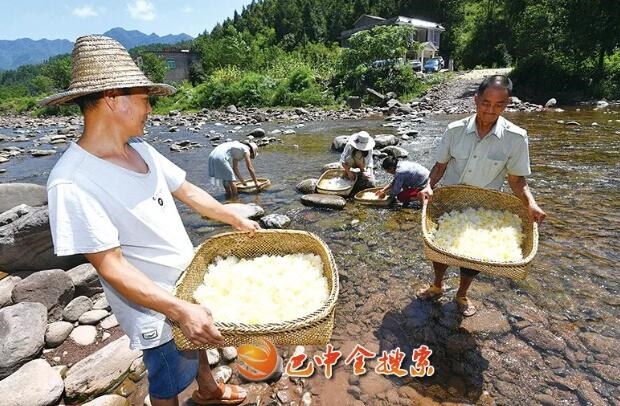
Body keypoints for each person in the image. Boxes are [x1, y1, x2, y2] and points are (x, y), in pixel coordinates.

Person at [42, 35, 255, 406]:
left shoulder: (141, 149)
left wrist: (233, 217)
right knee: (167, 382)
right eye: (145, 99)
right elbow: (111, 266)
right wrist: (179, 309)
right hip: (155, 308)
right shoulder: (72, 181)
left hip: (186, 286)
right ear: (114, 98)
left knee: (196, 340)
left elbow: (187, 190)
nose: (151, 109)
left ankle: (209, 390)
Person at [416, 75, 546, 317]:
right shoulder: (454, 130)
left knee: (473, 257)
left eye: (499, 105)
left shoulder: (516, 137)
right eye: (486, 103)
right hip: (449, 201)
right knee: (439, 248)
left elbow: (516, 180)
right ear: (476, 100)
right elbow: (440, 166)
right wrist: (428, 186)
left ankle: (462, 294)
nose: (490, 110)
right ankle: (437, 285)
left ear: (507, 104)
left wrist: (531, 203)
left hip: (483, 208)